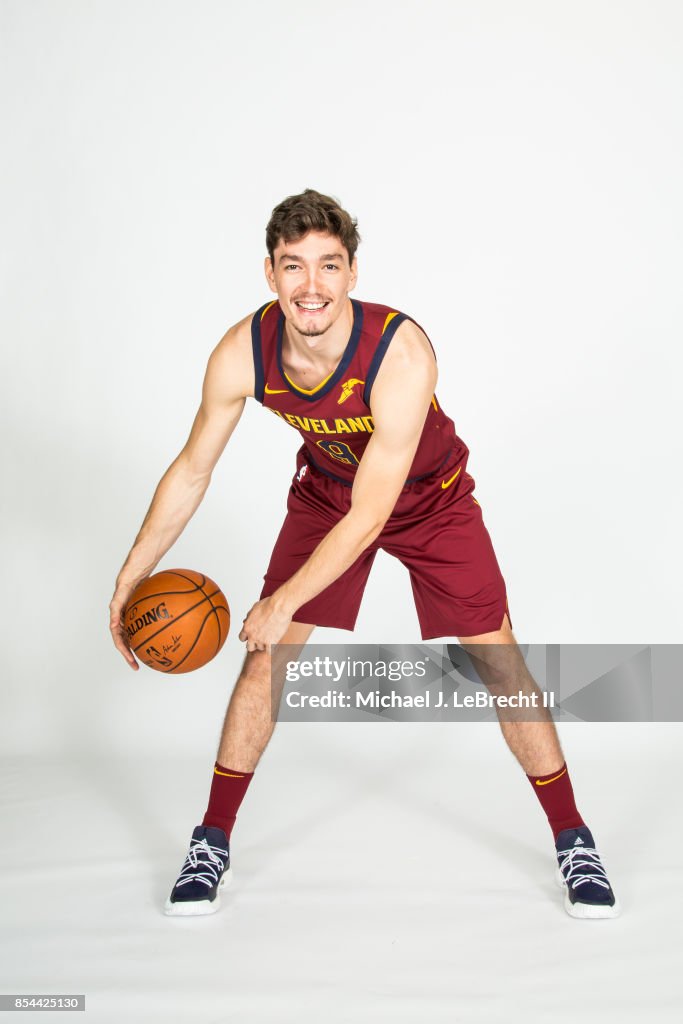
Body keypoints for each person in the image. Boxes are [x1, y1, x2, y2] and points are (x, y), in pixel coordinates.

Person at [109, 189, 619, 920]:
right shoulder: (240, 353)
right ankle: (212, 839)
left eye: (327, 265)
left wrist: (281, 600)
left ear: (351, 273)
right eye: (293, 266)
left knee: (497, 655)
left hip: (427, 500)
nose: (309, 285)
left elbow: (373, 512)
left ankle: (573, 837)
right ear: (269, 274)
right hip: (325, 494)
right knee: (268, 656)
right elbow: (193, 469)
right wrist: (129, 576)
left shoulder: (399, 352)